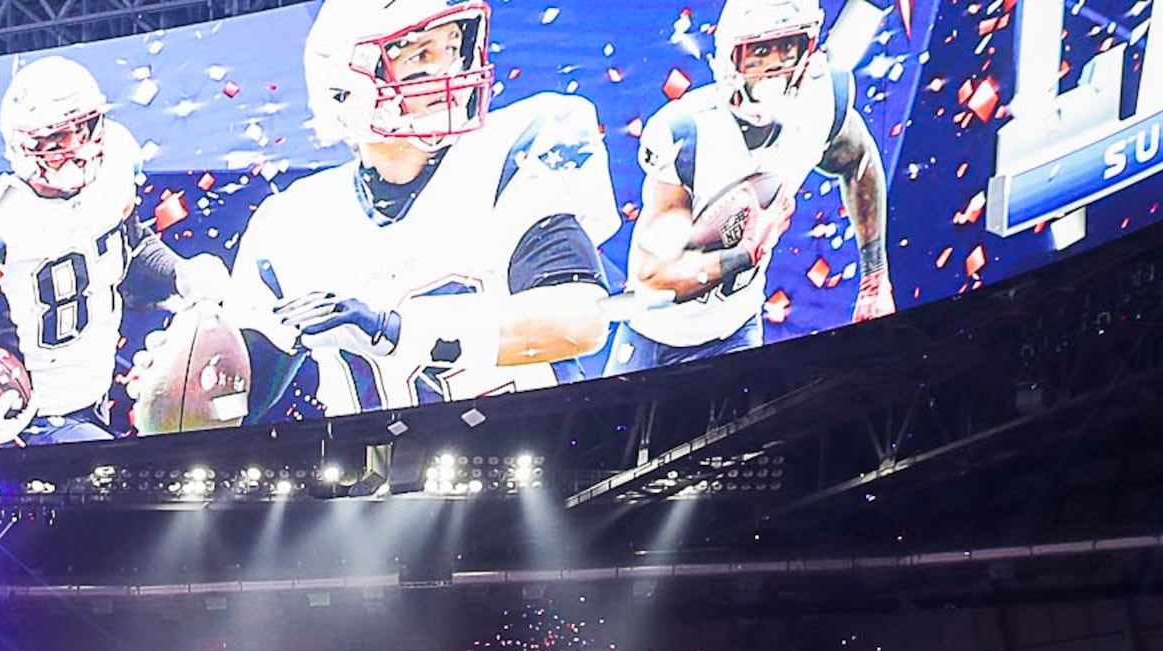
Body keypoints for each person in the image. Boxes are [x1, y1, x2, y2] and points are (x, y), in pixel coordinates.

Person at [225, 0, 615, 414]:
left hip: (540, 452)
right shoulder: (293, 222)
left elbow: (579, 321)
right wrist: (180, 374)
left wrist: (392, 329)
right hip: (373, 472)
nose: (450, 72)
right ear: (346, 88)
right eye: (421, 56)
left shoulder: (507, 156)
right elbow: (235, 400)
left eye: (453, 49)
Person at [0, 55, 237, 448]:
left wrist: (181, 272)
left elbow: (130, 241)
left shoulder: (114, 166)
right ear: (24, 145)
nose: (77, 147)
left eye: (85, 128)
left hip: (96, 398)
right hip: (36, 420)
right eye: (56, 139)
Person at [612, 0, 891, 369]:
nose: (775, 63)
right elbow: (654, 277)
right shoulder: (688, 134)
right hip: (655, 335)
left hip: (737, 328)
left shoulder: (820, 101)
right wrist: (745, 252)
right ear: (730, 57)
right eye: (759, 51)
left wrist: (875, 276)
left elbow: (859, 161)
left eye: (787, 47)